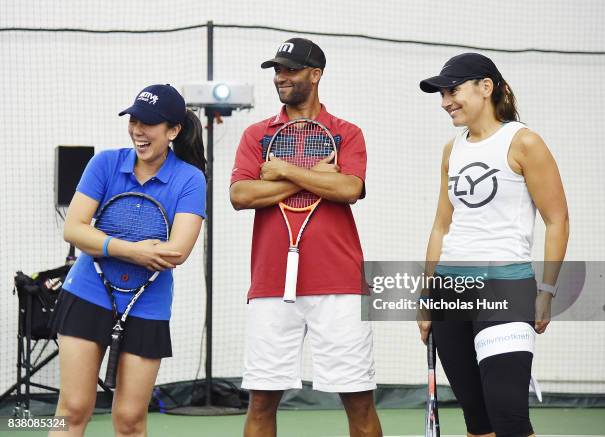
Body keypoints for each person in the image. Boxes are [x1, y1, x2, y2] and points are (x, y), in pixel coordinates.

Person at [230, 38, 382, 437]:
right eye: (277, 70)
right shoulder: (256, 135)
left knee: (358, 399)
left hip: (341, 285)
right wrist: (316, 177)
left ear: (315, 75)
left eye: (291, 70)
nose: (281, 77)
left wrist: (282, 170)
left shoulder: (347, 133)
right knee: (261, 400)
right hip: (270, 286)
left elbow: (349, 189)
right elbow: (240, 195)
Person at [417, 53, 569, 437]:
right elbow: (440, 226)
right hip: (450, 291)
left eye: (452, 90)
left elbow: (557, 220)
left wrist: (547, 292)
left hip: (505, 288)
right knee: (478, 419)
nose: (444, 101)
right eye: (441, 93)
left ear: (486, 87)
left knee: (509, 419)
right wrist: (426, 295)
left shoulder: (524, 142)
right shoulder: (452, 150)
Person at [49, 84, 206, 437]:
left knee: (131, 419)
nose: (138, 129)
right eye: (134, 119)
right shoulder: (105, 163)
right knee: (72, 410)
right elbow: (74, 229)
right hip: (88, 292)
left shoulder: (190, 179)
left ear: (174, 131)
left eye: (149, 123)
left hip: (147, 304)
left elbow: (177, 250)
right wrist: (135, 251)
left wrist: (102, 242)